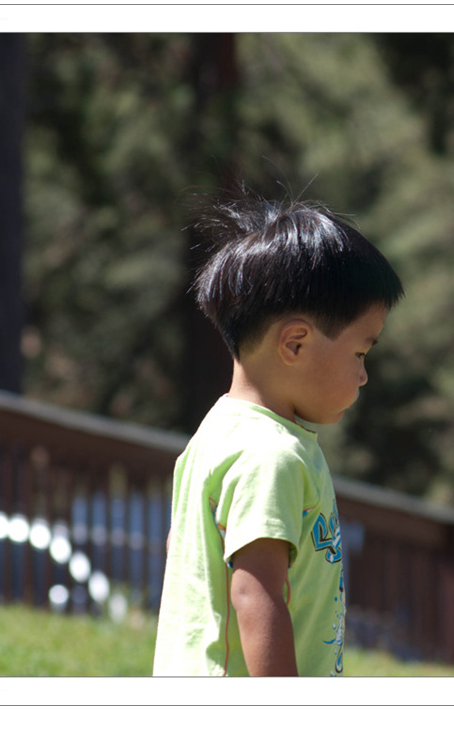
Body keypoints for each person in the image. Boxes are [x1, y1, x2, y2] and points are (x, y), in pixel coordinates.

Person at [151, 194, 403, 676]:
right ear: (295, 344)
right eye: (359, 354)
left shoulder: (217, 431)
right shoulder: (269, 456)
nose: (363, 375)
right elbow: (255, 593)